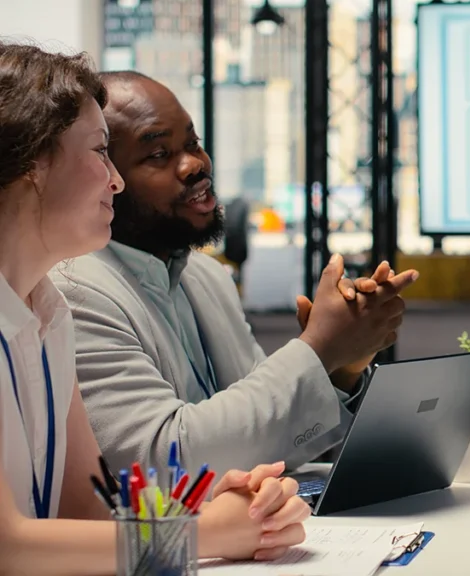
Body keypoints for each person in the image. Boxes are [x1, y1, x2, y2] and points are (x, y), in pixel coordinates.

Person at [0, 41, 311, 573]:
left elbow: (86, 514)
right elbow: (9, 547)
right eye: (100, 151)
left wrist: (218, 510)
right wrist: (206, 533)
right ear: (33, 163)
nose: (115, 180)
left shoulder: (48, 312)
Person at [50, 69, 418, 476]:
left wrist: (342, 366)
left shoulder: (206, 276)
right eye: (158, 154)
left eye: (193, 143)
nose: (195, 165)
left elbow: (263, 433)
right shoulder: (72, 292)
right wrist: (318, 348)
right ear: (109, 179)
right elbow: (161, 463)